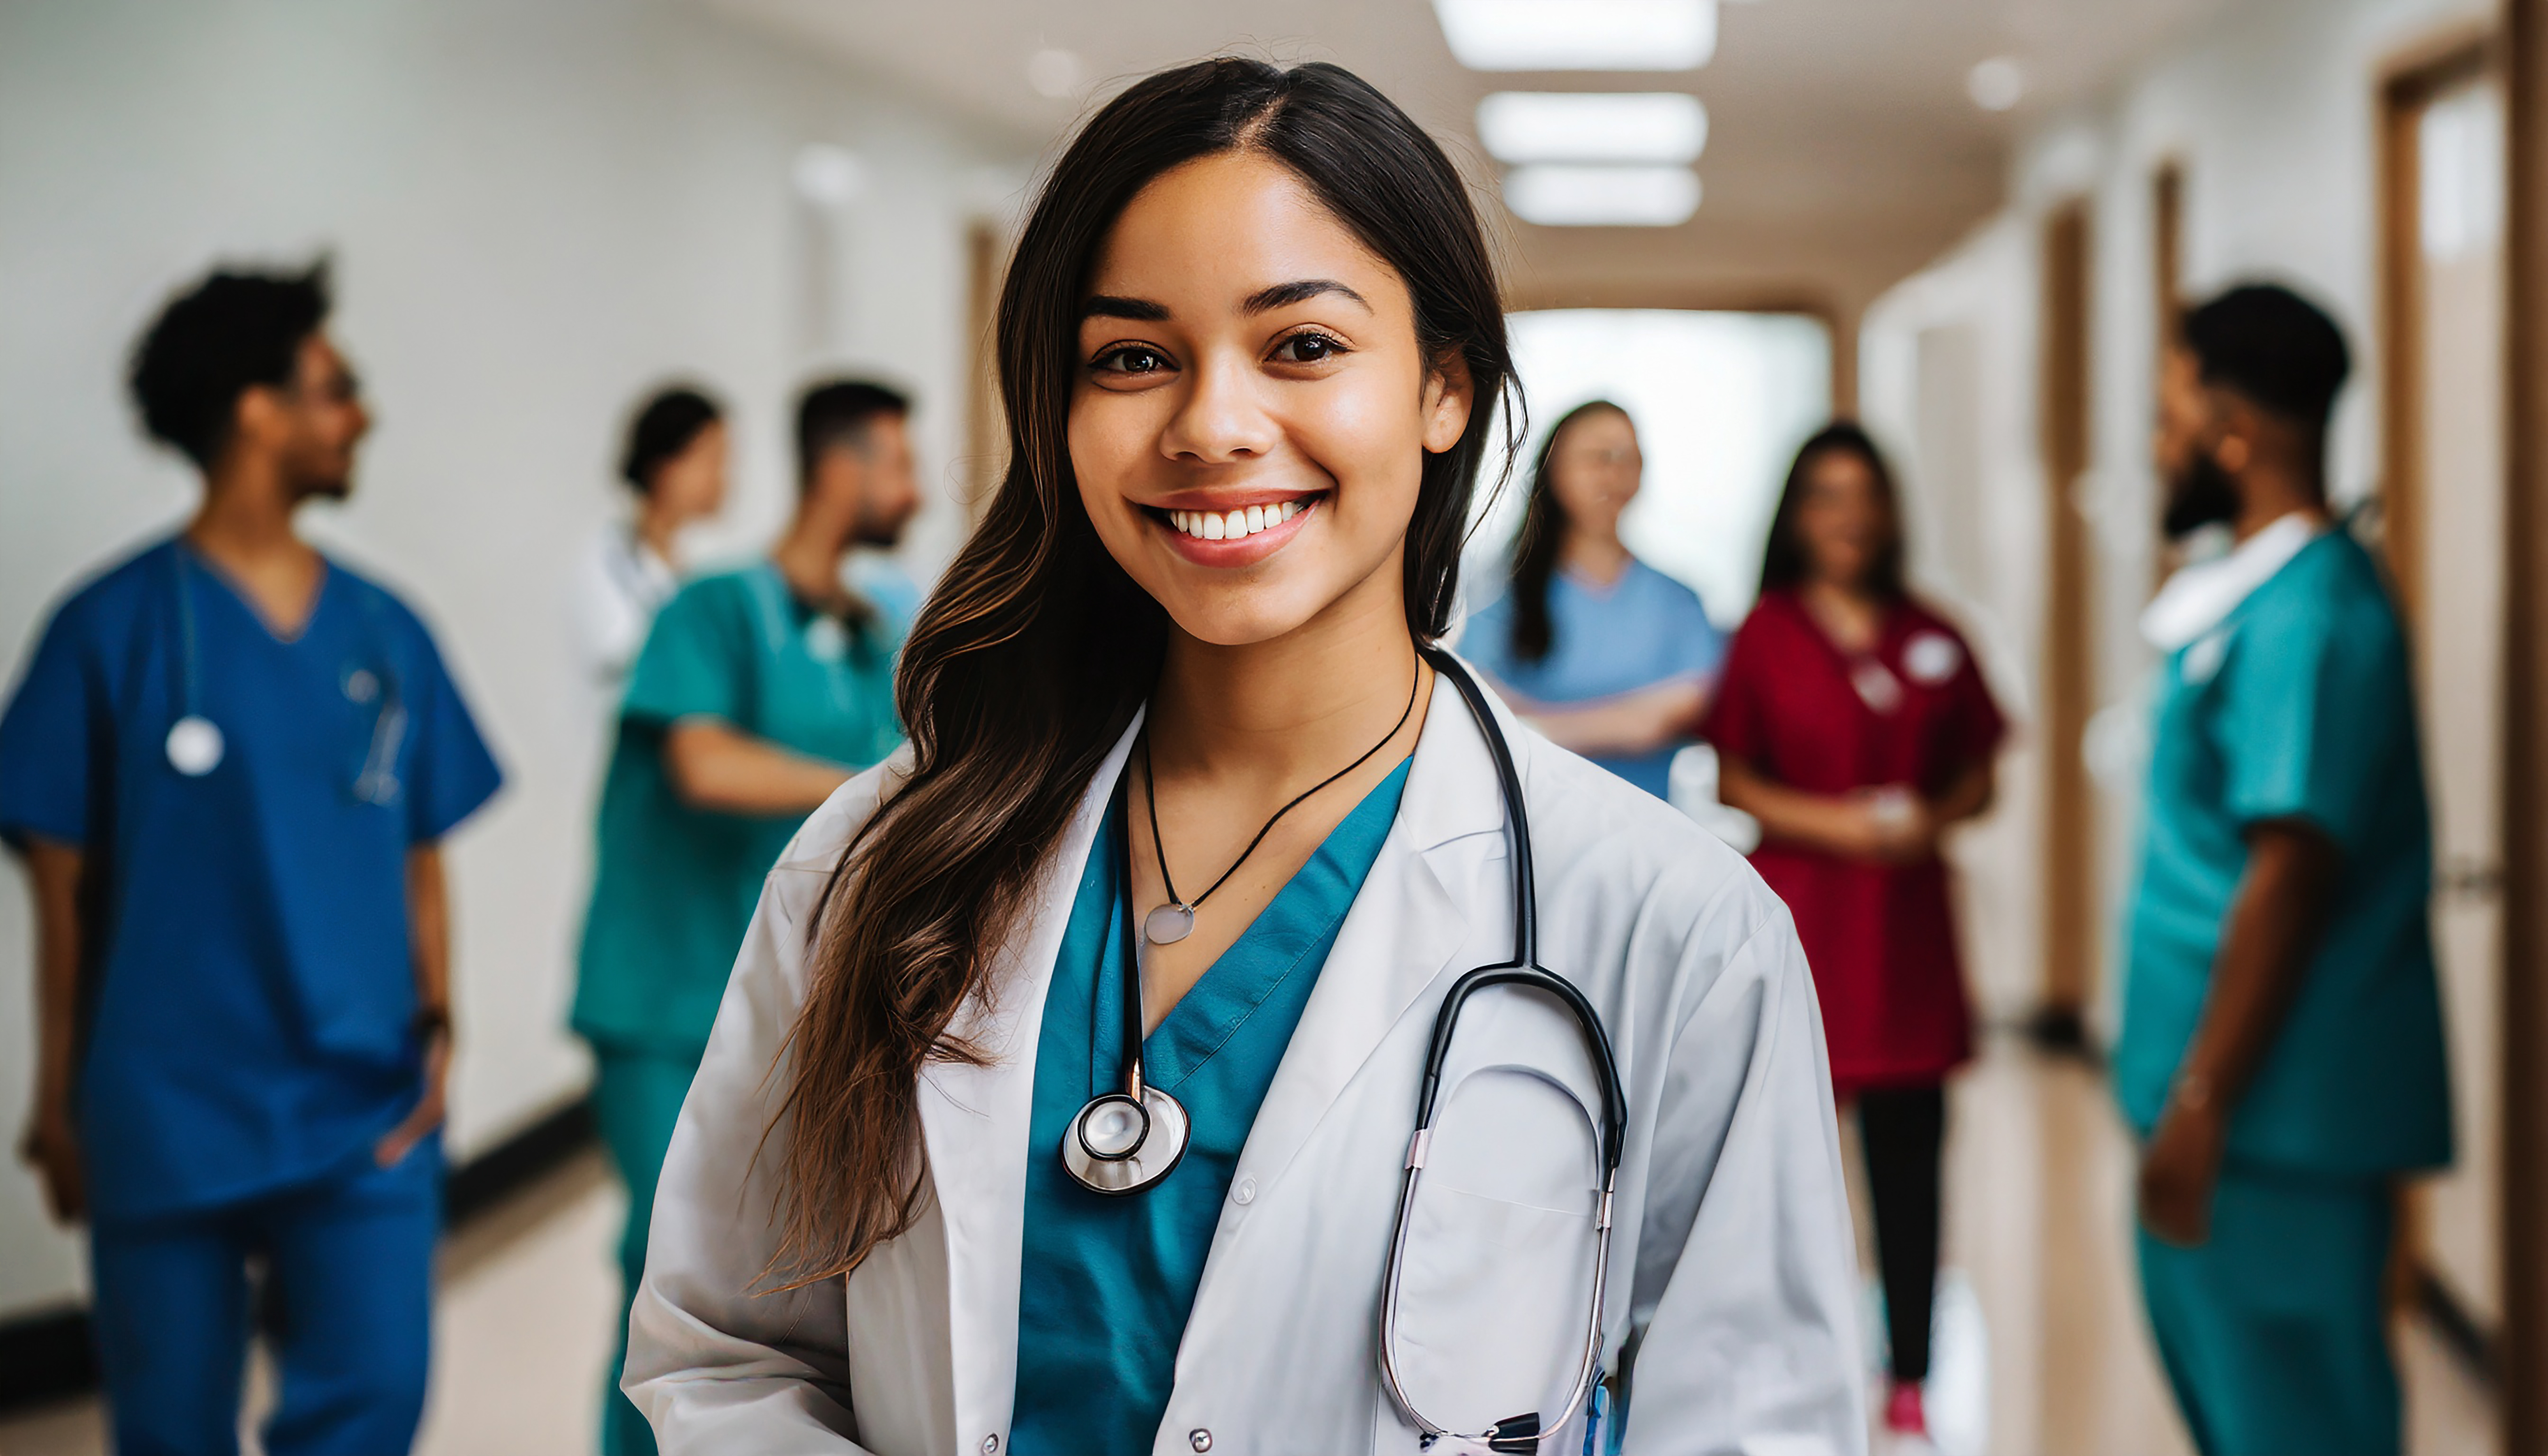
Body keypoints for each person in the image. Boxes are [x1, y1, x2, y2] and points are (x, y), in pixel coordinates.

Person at [623, 58, 1863, 1454]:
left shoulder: (1675, 933)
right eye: (1133, 356)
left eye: (1303, 348)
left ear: (1444, 388)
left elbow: (1757, 1427)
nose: (1211, 425)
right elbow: (731, 1352)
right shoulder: (885, 860)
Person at [0, 263, 502, 1454]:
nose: (361, 415)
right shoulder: (109, 628)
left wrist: (440, 1031)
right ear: (255, 410)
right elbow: (57, 888)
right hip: (167, 1103)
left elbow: (419, 852)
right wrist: (58, 1095)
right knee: (170, 1428)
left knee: (374, 1397)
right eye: (337, 388)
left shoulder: (389, 630)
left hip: (365, 1099)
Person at [2118, 284, 2449, 1455]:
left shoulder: (2310, 615)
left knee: (2296, 1422)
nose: (2158, 439)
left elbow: (2290, 871)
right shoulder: (2253, 592)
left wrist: (2200, 1105)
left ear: (2231, 426)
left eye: (2170, 408)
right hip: (2238, 1107)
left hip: (2276, 1119)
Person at [571, 377, 920, 1456]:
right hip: (668, 995)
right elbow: (703, 758)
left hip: (807, 1011)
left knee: (788, 1284)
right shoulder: (712, 607)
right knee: (669, 1276)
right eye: (899, 463)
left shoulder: (876, 627)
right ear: (843, 468)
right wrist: (876, 778)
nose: (913, 487)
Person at [1703, 421, 2005, 1449]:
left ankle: (1910, 1377)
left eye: (1864, 495)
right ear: (1796, 515)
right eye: (1826, 496)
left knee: (1909, 1162)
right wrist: (1832, 823)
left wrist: (1933, 814)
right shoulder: (1766, 635)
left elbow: (1977, 767)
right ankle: (1796, 1359)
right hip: (1803, 921)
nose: (1848, 517)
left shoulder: (1931, 633)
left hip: (1904, 930)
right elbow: (1733, 776)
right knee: (1785, 1167)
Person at [1461, 400, 1725, 798]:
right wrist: (1627, 718)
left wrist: (1533, 727)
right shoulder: (1502, 593)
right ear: (1553, 470)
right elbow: (1475, 706)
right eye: (1596, 457)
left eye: (1626, 457)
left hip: (1649, 830)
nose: (1612, 473)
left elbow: (1669, 716)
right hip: (1530, 828)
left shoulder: (1678, 602)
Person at [569, 385, 729, 697]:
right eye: (712, 461)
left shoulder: (708, 559)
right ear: (666, 467)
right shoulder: (603, 563)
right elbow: (623, 661)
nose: (723, 479)